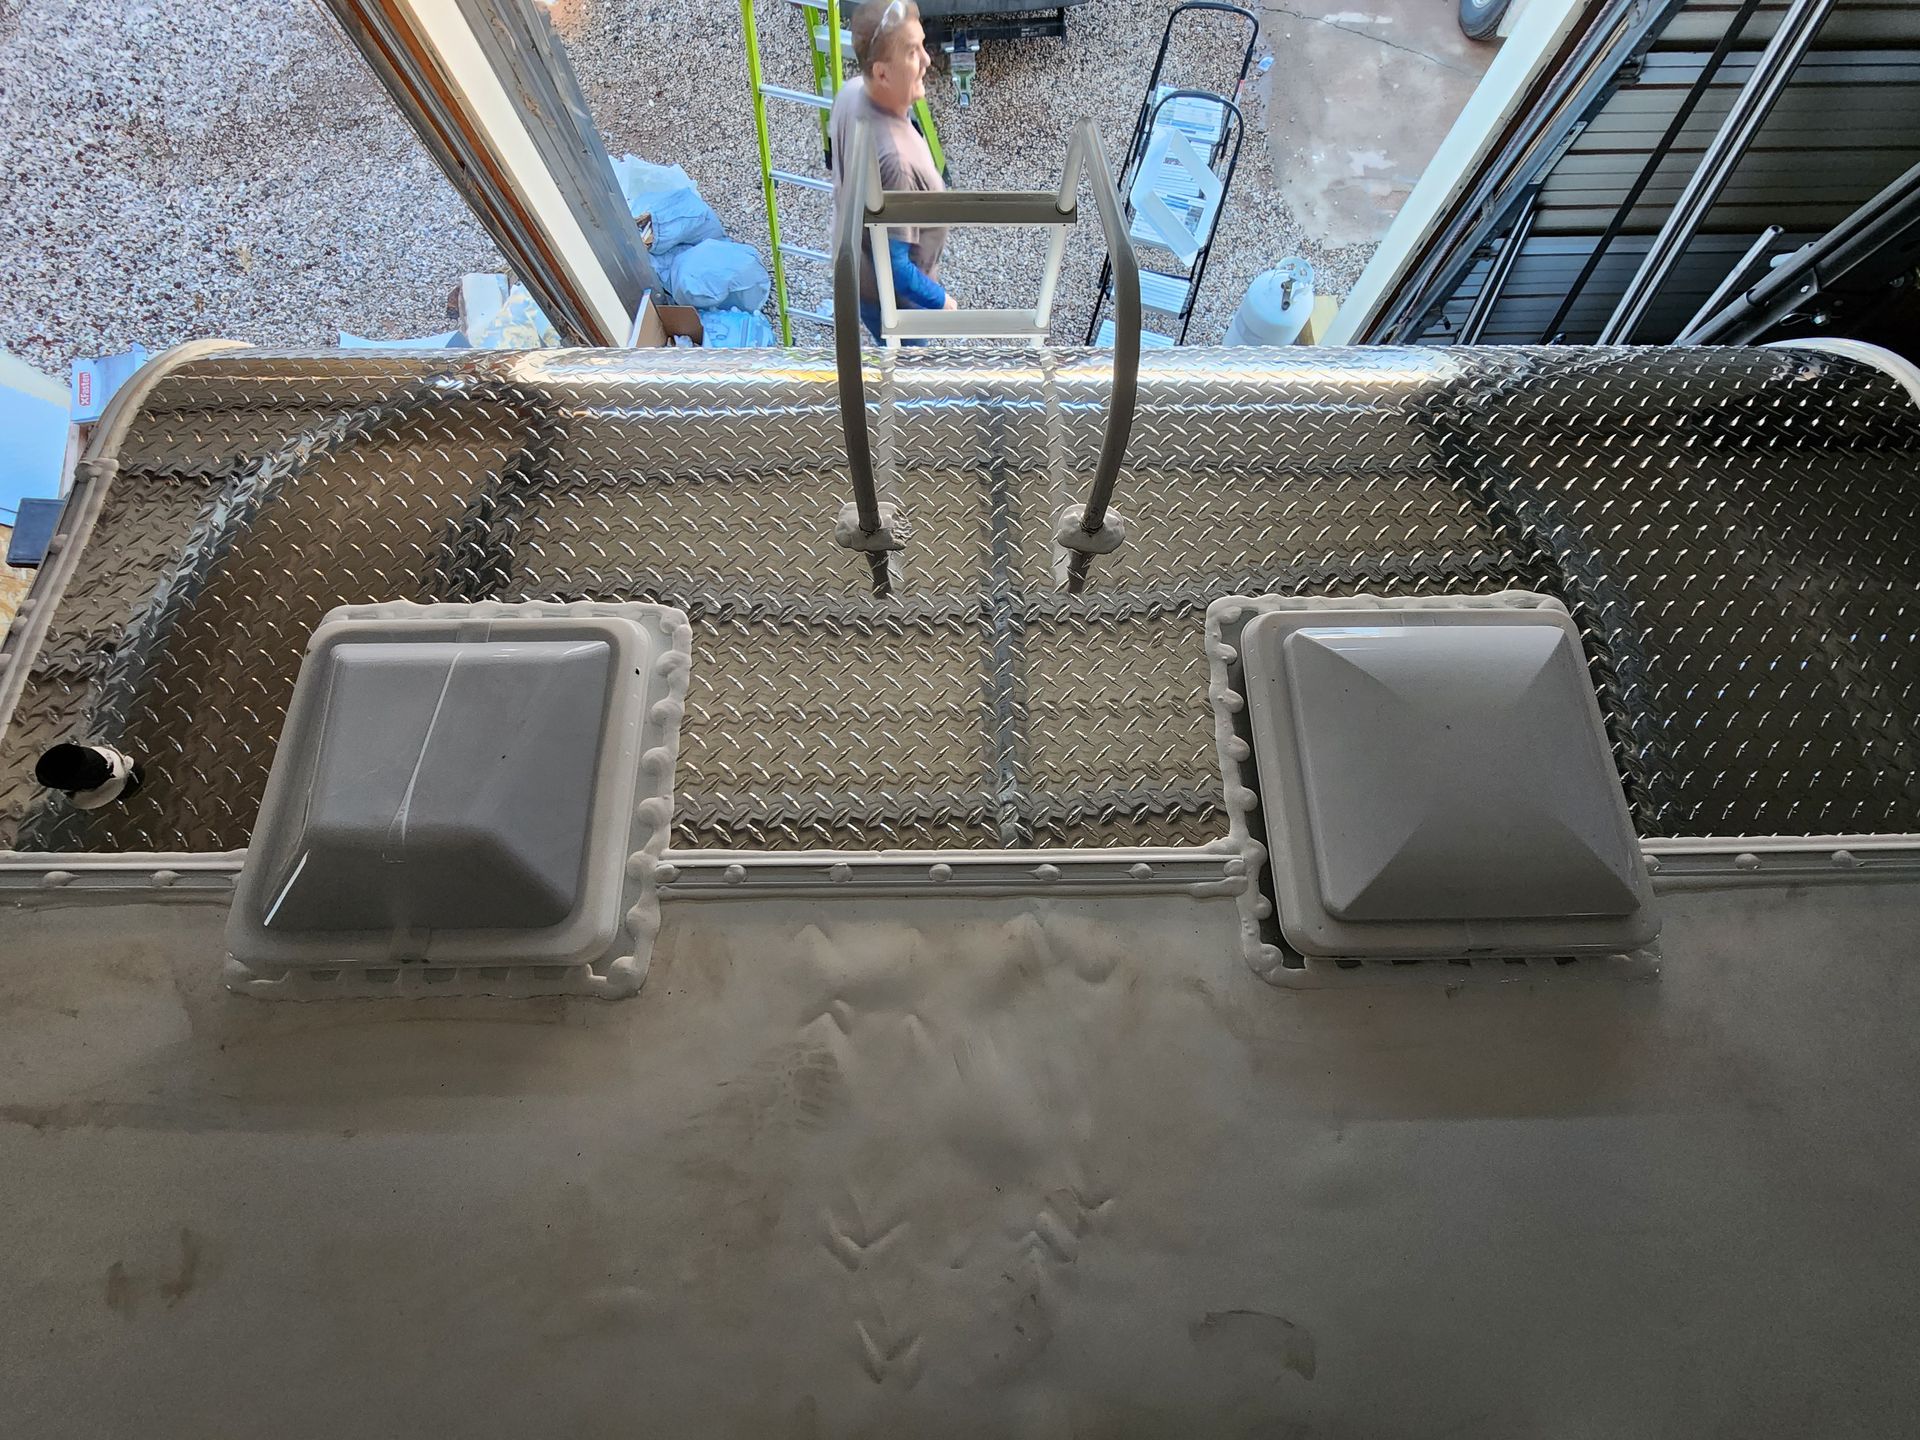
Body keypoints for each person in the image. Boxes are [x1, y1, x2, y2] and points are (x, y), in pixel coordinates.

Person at [829, 0, 957, 341]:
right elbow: (897, 270)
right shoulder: (897, 161)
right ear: (882, 73)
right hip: (900, 306)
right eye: (913, 53)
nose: (928, 61)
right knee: (913, 380)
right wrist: (941, 302)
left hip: (859, 274)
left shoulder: (849, 93)